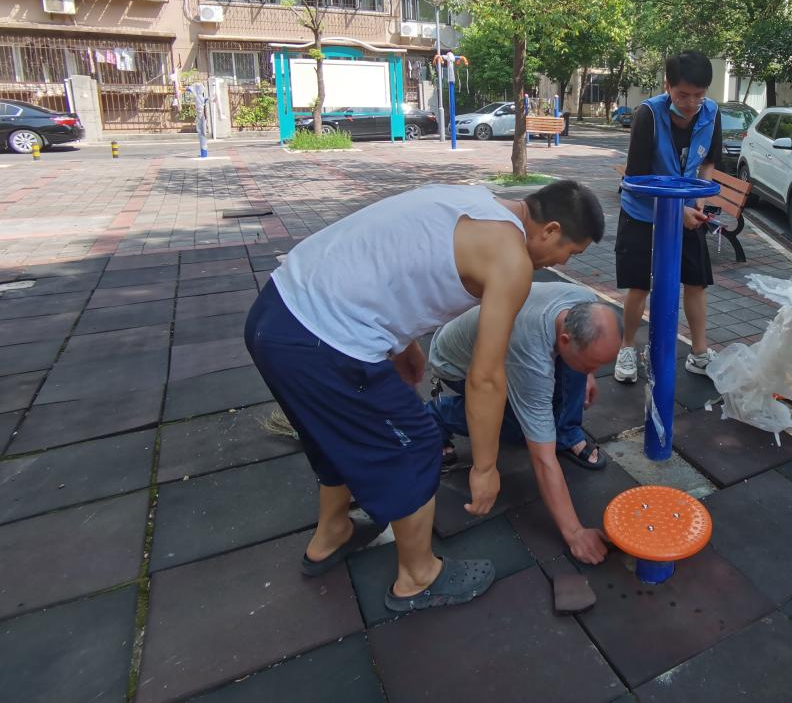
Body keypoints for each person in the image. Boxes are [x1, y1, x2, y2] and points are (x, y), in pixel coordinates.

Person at [243, 180, 605, 612]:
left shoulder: (473, 199)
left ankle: (332, 534)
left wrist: (403, 345)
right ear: (550, 230)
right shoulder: (511, 260)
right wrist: (485, 467)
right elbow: (486, 377)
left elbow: (394, 260)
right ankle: (418, 577)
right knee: (416, 445)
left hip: (274, 314)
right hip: (323, 341)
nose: (563, 262)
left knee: (332, 434)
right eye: (571, 252)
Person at [426, 283, 622, 564]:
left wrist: (587, 370)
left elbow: (582, 349)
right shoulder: (530, 356)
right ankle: (439, 414)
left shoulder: (585, 302)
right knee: (520, 428)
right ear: (564, 340)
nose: (596, 372)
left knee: (570, 376)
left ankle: (566, 433)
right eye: (592, 364)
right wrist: (575, 532)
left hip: (513, 338)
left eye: (599, 364)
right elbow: (542, 459)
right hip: (456, 362)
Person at [613, 51, 723, 384]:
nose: (691, 103)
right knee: (639, 285)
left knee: (696, 282)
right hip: (642, 211)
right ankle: (627, 347)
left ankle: (699, 353)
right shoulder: (648, 115)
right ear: (667, 86)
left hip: (687, 210)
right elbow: (636, 178)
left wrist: (699, 200)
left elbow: (708, 162)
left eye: (698, 95)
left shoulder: (711, 113)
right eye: (682, 95)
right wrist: (676, 211)